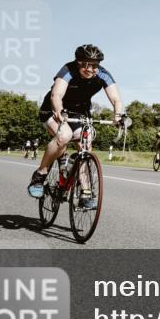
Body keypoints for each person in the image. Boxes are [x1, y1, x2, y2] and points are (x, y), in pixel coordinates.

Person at [27, 44, 124, 209]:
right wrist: (58, 110)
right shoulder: (68, 70)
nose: (90, 69)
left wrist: (118, 115)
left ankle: (86, 191)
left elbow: (116, 99)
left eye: (94, 65)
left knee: (85, 144)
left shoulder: (103, 74)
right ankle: (40, 174)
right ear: (78, 62)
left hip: (79, 113)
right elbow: (56, 94)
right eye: (86, 64)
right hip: (53, 110)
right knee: (64, 136)